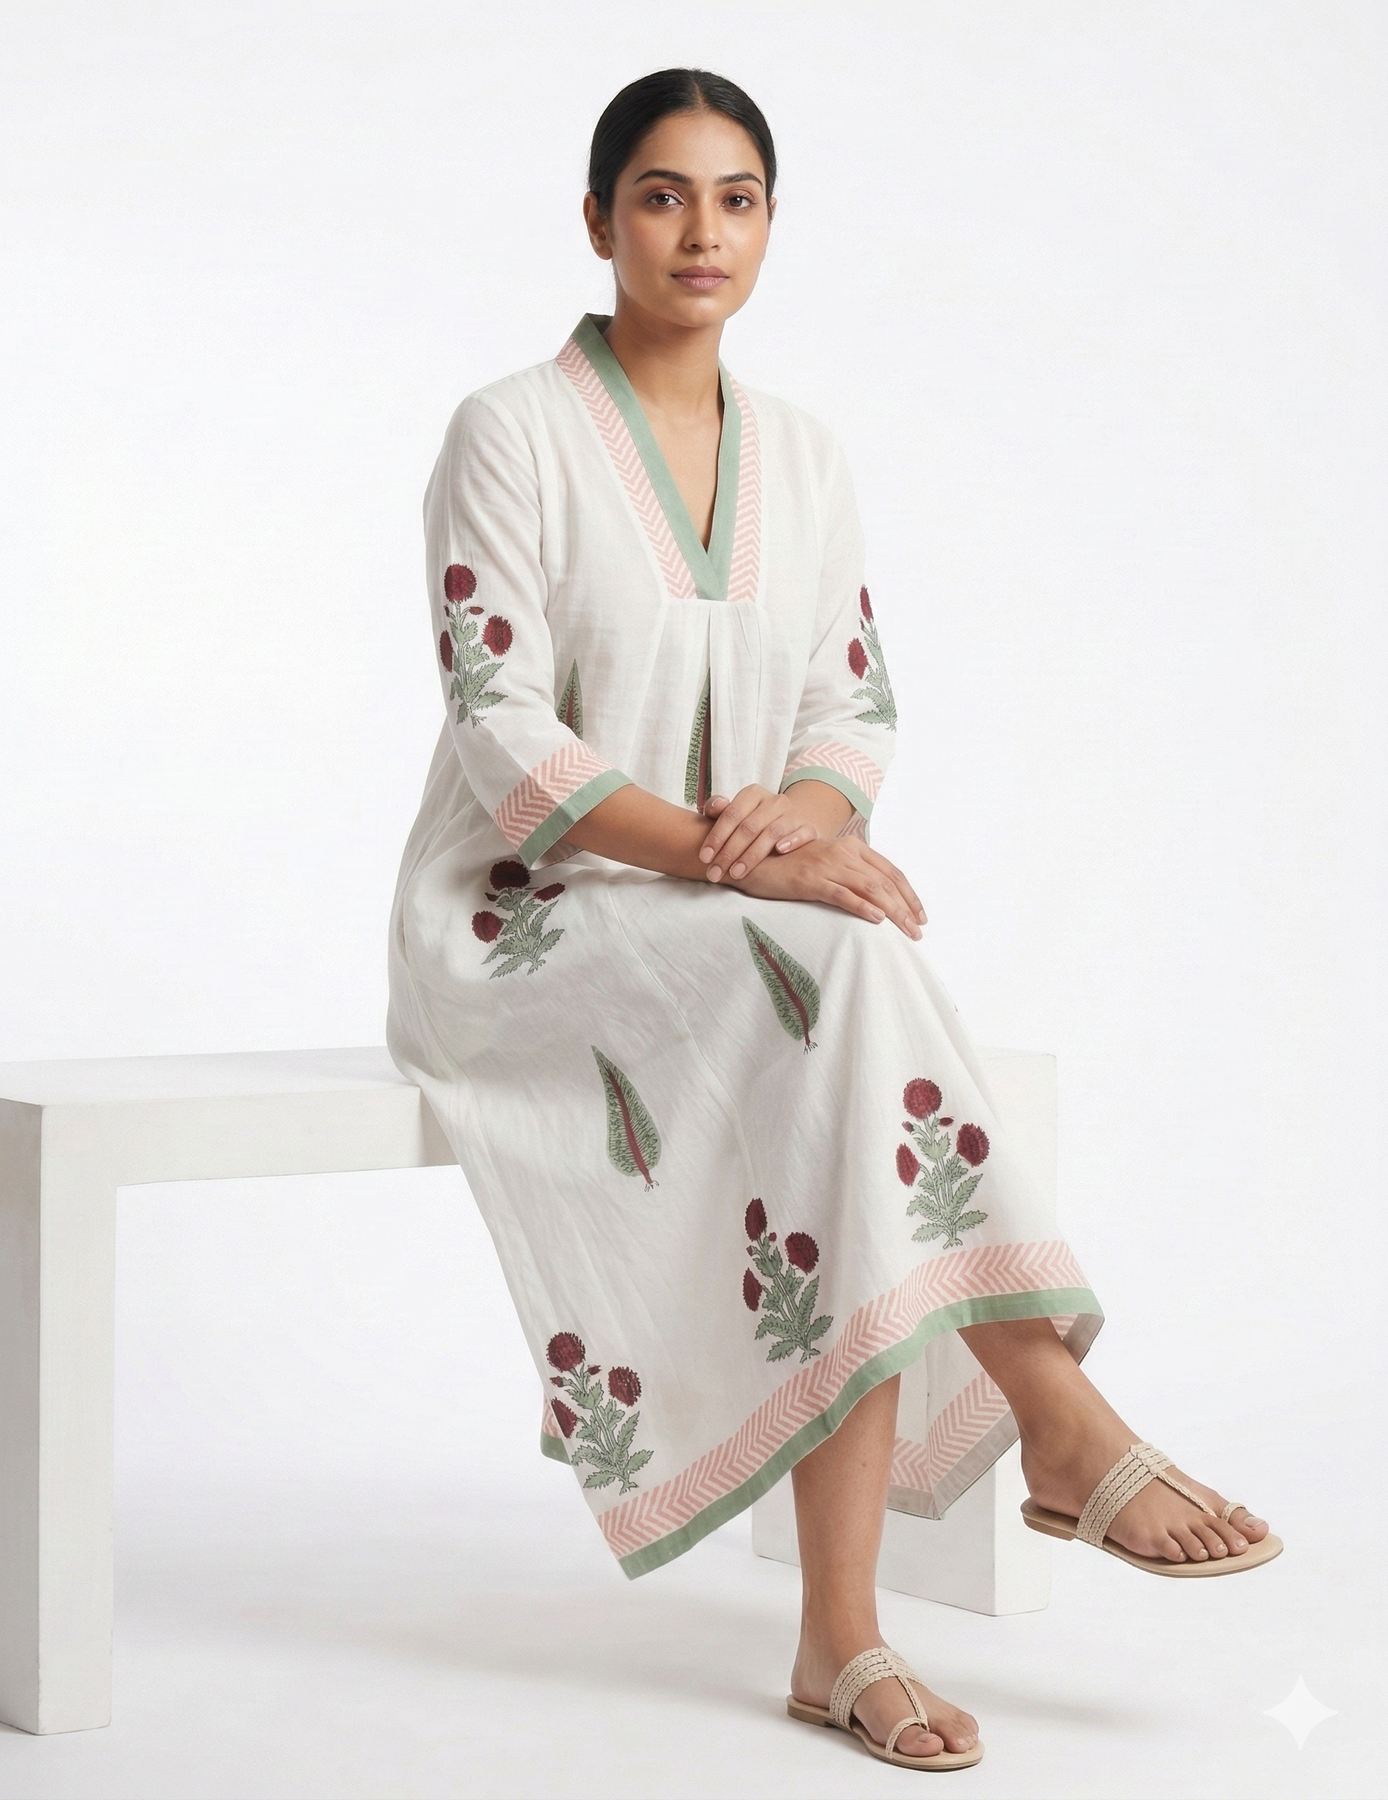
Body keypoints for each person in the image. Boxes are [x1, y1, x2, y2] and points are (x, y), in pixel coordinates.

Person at [386, 67, 1280, 1773]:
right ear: (596, 221)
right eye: (660, 195)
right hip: (522, 920)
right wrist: (739, 863)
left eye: (733, 199)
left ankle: (847, 1632)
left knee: (841, 997)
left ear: (770, 225)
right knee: (837, 975)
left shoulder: (802, 455)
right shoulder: (506, 431)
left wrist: (800, 826)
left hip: (741, 927)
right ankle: (1048, 1418)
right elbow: (497, 721)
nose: (699, 231)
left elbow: (849, 704)